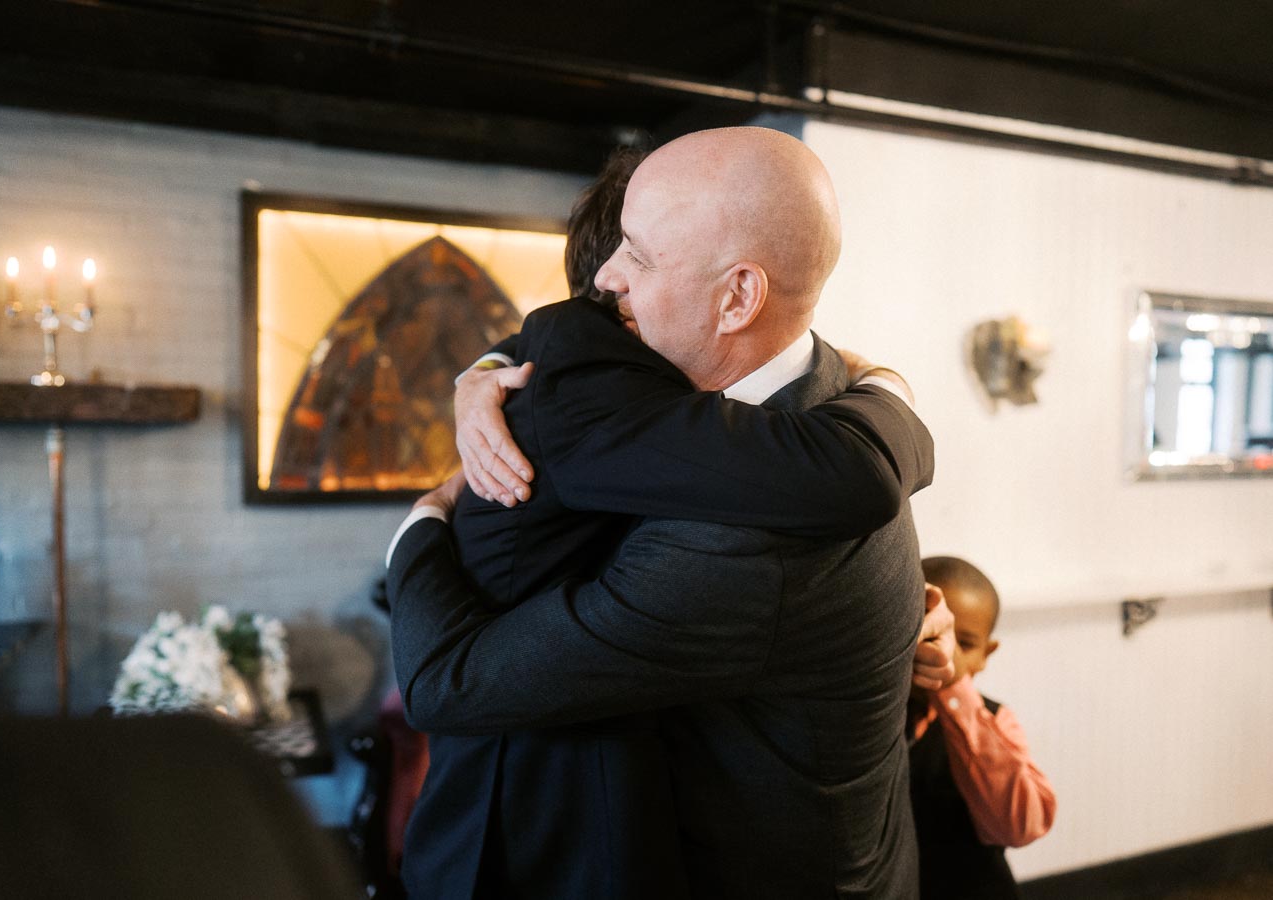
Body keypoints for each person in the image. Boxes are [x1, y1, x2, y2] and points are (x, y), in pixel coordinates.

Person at [386, 126, 941, 898]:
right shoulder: (815, 390)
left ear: (739, 296)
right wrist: (480, 373)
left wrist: (428, 509)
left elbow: (449, 682)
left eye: (638, 256)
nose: (609, 279)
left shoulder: (748, 541)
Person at [908, 556, 1057, 900]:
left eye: (964, 644)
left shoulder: (994, 719)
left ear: (985, 655)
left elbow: (1020, 826)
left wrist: (953, 687)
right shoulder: (864, 715)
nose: (943, 653)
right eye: (931, 633)